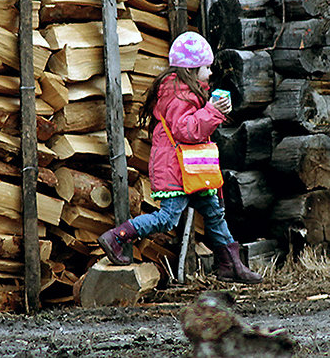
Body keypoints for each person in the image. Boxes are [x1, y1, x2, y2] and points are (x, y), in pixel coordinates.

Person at [97, 31, 262, 284]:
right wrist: (212, 112)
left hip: (193, 169)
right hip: (177, 169)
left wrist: (214, 111)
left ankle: (231, 265)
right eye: (206, 67)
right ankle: (117, 237)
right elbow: (187, 130)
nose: (209, 73)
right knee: (167, 218)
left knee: (215, 212)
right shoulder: (178, 95)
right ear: (191, 69)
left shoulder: (187, 91)